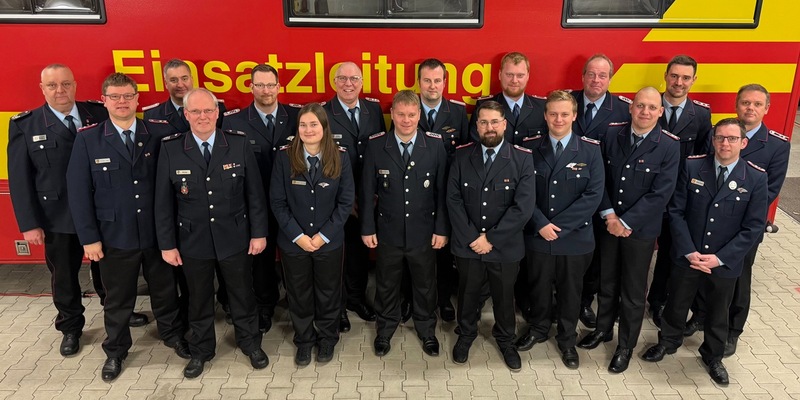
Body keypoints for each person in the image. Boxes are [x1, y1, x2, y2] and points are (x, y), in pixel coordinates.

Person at [7, 64, 143, 359]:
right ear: (42, 88)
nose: (60, 91)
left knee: (107, 269)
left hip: (103, 212)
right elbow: (19, 179)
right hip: (59, 216)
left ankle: (115, 310)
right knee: (65, 274)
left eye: (66, 84)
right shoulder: (25, 125)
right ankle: (70, 326)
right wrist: (29, 223)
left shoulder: (97, 112)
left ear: (75, 85)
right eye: (53, 86)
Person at [65, 73, 189, 381]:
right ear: (104, 100)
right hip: (114, 236)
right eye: (116, 97)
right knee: (118, 300)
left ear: (138, 100)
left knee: (165, 292)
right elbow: (79, 193)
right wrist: (89, 238)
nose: (122, 102)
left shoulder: (160, 133)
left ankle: (172, 335)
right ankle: (116, 350)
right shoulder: (88, 139)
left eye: (128, 96)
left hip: (157, 234)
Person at [641, 118, 768, 386]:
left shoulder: (756, 177)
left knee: (717, 311)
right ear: (712, 140)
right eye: (720, 137)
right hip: (688, 255)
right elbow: (675, 212)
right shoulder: (692, 166)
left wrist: (720, 258)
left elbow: (753, 226)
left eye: (732, 138)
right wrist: (689, 251)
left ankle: (713, 356)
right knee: (676, 302)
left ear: (743, 143)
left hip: (723, 262)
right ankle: (668, 342)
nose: (725, 143)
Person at [154, 88, 269, 378]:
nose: (202, 117)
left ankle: (250, 343)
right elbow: (163, 204)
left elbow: (255, 195)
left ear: (217, 113)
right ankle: (202, 350)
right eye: (196, 112)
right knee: (199, 298)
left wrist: (259, 233)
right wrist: (167, 245)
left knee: (242, 294)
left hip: (235, 237)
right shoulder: (170, 148)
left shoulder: (238, 145)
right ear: (186, 114)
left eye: (208, 111)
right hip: (193, 241)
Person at [577, 87, 680, 374]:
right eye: (640, 106)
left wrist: (626, 222)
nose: (645, 112)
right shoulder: (612, 133)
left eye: (651, 107)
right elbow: (601, 178)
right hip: (608, 223)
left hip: (640, 230)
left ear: (660, 112)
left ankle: (625, 345)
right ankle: (602, 329)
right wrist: (610, 215)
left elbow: (661, 193)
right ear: (631, 108)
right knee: (606, 282)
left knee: (633, 291)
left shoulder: (670, 145)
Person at [691, 84, 790, 356]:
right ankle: (699, 316)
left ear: (766, 109)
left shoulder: (777, 145)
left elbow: (771, 189)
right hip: (709, 223)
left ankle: (732, 331)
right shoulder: (720, 134)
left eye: (757, 104)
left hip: (744, 228)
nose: (750, 108)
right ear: (737, 105)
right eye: (745, 102)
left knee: (738, 280)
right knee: (703, 271)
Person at [516, 90, 604, 369]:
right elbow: (522, 193)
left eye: (565, 113)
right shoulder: (529, 148)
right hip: (538, 234)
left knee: (570, 292)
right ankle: (539, 329)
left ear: (574, 116)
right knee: (538, 287)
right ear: (545, 115)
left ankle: (567, 340)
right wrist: (540, 223)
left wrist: (560, 227)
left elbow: (594, 194)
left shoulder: (590, 150)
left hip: (575, 238)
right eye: (553, 113)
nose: (558, 118)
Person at [447, 100, 535, 370]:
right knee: (468, 293)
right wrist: (474, 237)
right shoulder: (461, 156)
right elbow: (453, 199)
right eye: (483, 122)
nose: (489, 127)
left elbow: (523, 207)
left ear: (504, 124)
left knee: (503, 296)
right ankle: (466, 334)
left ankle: (506, 339)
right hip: (469, 244)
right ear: (476, 126)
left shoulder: (522, 158)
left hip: (504, 246)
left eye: (494, 121)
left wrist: (491, 239)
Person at [361, 90, 449, 357]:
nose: (406, 120)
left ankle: (426, 330)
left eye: (412, 115)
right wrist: (367, 227)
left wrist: (441, 229)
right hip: (388, 231)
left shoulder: (434, 145)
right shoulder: (377, 145)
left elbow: (442, 192)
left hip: (423, 232)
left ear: (419, 115)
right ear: (392, 114)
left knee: (424, 283)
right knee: (387, 283)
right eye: (401, 114)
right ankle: (385, 330)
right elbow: (366, 192)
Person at [143, 58, 231, 323]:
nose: (179, 84)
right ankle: (189, 317)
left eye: (184, 78)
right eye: (173, 80)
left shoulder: (219, 108)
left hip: (219, 203)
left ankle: (227, 305)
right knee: (188, 277)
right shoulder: (153, 115)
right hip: (183, 207)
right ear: (165, 82)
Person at [270, 103, 354, 366]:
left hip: (328, 243)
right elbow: (278, 202)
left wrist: (322, 236)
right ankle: (304, 340)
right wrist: (299, 237)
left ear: (324, 127)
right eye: (303, 125)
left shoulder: (340, 156)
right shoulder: (284, 157)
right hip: (294, 244)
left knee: (329, 292)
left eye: (313, 124)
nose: (308, 130)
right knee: (299, 293)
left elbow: (345, 202)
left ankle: (328, 338)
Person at [222, 64, 299, 333]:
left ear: (279, 87)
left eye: (270, 85)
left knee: (295, 255)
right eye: (260, 85)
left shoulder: (298, 116)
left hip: (294, 204)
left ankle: (297, 302)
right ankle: (265, 306)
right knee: (262, 260)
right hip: (256, 204)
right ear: (251, 87)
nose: (266, 90)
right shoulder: (233, 121)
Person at [648, 55, 713, 328]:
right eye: (674, 76)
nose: (679, 82)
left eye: (686, 77)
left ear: (694, 80)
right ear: (665, 76)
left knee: (671, 253)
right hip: (648, 195)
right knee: (638, 251)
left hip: (680, 199)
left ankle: (658, 301)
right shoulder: (649, 107)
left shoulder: (700, 114)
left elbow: (702, 158)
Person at [568, 54, 632, 329]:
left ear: (610, 78)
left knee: (594, 256)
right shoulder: (565, 100)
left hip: (602, 193)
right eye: (591, 74)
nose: (596, 80)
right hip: (565, 193)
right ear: (582, 76)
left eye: (602, 75)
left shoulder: (622, 109)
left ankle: (584, 300)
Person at [323, 61, 387, 332]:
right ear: (334, 82)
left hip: (368, 197)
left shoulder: (373, 109)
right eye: (343, 79)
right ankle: (338, 309)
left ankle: (357, 299)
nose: (348, 84)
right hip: (336, 201)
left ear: (362, 82)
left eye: (354, 79)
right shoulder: (324, 113)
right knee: (337, 256)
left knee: (360, 253)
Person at [417, 58, 469, 321]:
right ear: (419, 82)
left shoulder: (458, 113)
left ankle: (444, 299)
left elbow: (466, 154)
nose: (432, 85)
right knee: (415, 250)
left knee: (445, 251)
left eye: (437, 80)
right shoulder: (407, 108)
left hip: (448, 194)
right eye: (427, 80)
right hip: (414, 195)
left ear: (445, 82)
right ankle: (412, 299)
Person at [469, 52, 547, 147]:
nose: (514, 80)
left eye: (520, 75)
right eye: (509, 75)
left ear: (527, 76)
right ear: (500, 75)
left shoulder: (541, 107)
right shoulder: (483, 106)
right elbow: (475, 147)